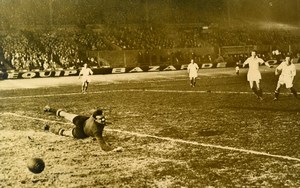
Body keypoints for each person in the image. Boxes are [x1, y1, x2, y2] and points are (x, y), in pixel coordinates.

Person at [44, 105, 114, 152]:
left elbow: (98, 116)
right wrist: (114, 149)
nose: (103, 120)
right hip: (81, 131)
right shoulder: (96, 131)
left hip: (81, 123)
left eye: (103, 118)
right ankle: (48, 127)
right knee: (64, 132)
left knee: (65, 116)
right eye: (101, 119)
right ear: (95, 119)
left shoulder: (93, 116)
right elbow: (103, 147)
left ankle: (49, 111)